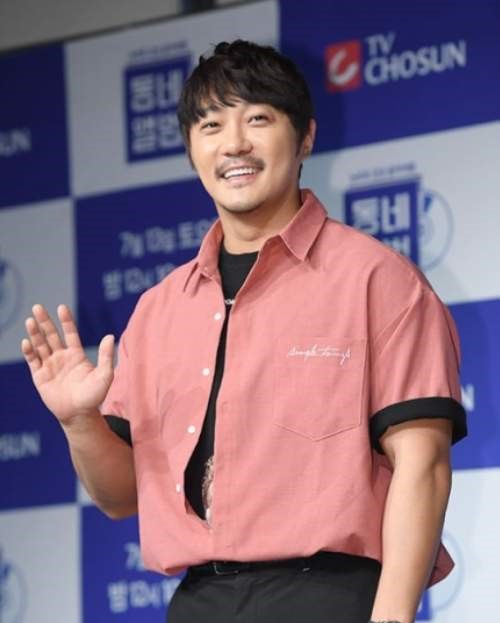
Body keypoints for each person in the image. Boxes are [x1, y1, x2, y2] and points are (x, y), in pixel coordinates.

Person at [21, 40, 466, 623]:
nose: (233, 143)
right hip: (199, 600)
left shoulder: (377, 280)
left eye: (258, 119)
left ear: (305, 138)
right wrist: (79, 422)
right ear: (191, 149)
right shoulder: (159, 310)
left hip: (330, 596)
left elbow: (423, 465)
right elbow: (121, 496)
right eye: (211, 125)